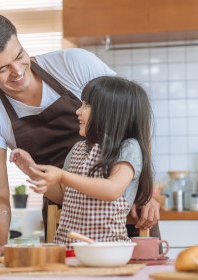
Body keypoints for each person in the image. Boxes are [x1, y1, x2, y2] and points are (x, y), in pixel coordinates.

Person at [0, 12, 160, 259]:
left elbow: (132, 116)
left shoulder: (75, 64)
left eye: (19, 55)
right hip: (67, 218)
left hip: (127, 209)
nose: (18, 71)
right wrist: (0, 247)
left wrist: (145, 193)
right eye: (1, 68)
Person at [10, 76, 154, 246]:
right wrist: (32, 170)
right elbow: (64, 195)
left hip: (106, 250)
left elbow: (112, 190)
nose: (78, 111)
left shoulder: (128, 148)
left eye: (86, 105)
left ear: (111, 113)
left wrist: (62, 176)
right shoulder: (78, 148)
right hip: (68, 248)